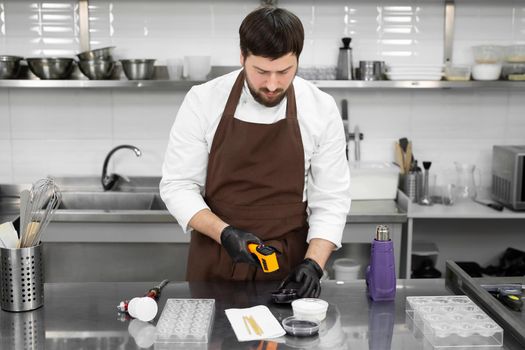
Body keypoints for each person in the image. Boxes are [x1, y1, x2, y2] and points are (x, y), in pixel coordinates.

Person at [160, 6, 351, 298]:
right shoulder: (203, 100)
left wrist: (313, 264)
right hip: (216, 255)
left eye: (284, 71)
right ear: (242, 57)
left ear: (297, 60)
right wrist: (225, 233)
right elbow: (178, 186)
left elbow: (331, 199)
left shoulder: (321, 108)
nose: (272, 84)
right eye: (261, 71)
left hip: (289, 267)